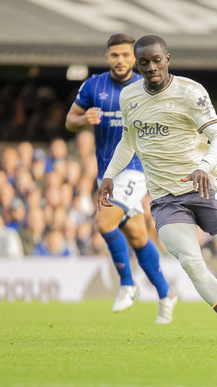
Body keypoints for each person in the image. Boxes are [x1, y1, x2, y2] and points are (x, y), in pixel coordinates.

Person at [98, 35, 217, 342]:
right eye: (144, 62)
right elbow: (127, 141)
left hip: (203, 187)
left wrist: (204, 165)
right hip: (164, 199)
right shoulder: (129, 96)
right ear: (137, 64)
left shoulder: (191, 92)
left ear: (167, 59)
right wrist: (109, 175)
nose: (151, 68)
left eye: (156, 60)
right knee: (191, 261)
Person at [65, 33, 176, 324]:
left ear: (134, 58)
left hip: (138, 168)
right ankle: (166, 293)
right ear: (107, 58)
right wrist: (83, 120)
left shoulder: (146, 85)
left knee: (104, 221)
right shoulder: (94, 86)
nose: (120, 60)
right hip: (108, 173)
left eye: (126, 55)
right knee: (138, 236)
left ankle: (127, 283)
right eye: (115, 55)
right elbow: (69, 120)